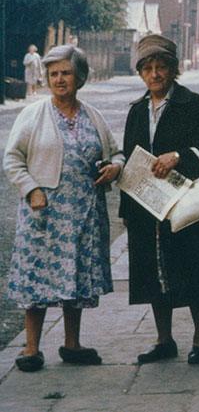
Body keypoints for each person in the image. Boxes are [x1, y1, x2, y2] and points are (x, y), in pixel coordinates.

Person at [3, 45, 124, 372]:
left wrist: (114, 167)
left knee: (76, 275)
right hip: (44, 214)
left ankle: (72, 344)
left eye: (66, 73)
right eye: (53, 73)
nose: (59, 79)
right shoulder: (32, 115)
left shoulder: (93, 116)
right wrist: (31, 189)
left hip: (83, 211)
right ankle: (31, 348)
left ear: (80, 77)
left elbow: (116, 153)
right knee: (37, 278)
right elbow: (12, 160)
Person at [121, 34, 199, 365]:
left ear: (173, 70)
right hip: (149, 205)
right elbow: (130, 158)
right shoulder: (138, 111)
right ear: (140, 73)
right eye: (148, 68)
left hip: (187, 203)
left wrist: (179, 157)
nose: (154, 75)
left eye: (161, 67)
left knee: (195, 267)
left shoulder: (192, 104)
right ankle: (164, 339)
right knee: (154, 271)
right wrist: (127, 209)